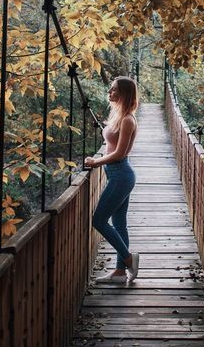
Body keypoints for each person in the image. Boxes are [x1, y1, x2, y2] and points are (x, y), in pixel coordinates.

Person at [84, 76, 139, 283]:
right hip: (117, 175)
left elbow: (119, 154)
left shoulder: (127, 120)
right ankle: (118, 272)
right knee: (119, 224)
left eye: (114, 89)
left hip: (120, 175)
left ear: (124, 93)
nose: (110, 92)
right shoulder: (119, 117)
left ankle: (128, 259)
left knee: (98, 220)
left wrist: (95, 162)